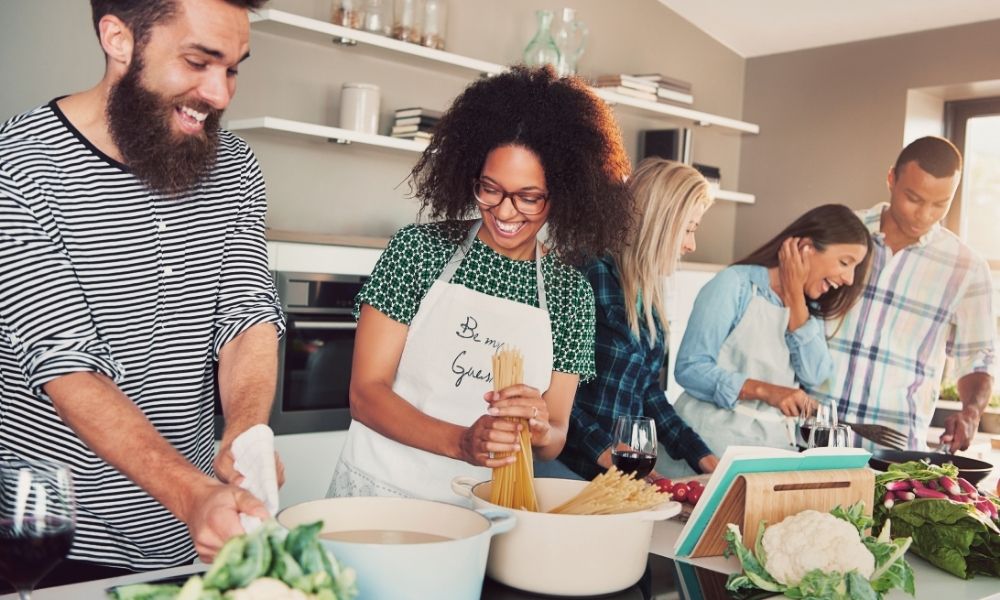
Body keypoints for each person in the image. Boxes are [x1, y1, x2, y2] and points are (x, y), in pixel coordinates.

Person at [0, 0, 283, 585]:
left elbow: (246, 314)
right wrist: (192, 493)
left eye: (232, 67)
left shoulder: (233, 165)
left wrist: (245, 431)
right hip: (54, 537)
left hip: (192, 537)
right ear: (118, 38)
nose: (221, 93)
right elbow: (67, 365)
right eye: (198, 62)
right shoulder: (19, 166)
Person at [327, 65, 632, 504]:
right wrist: (460, 441)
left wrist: (540, 425)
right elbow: (365, 393)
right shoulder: (418, 252)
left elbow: (556, 436)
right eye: (490, 189)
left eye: (529, 197)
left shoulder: (570, 295)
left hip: (486, 509)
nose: (505, 212)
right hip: (382, 493)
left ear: (563, 194)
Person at [815, 137, 996, 451]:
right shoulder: (838, 234)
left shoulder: (967, 269)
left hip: (892, 455)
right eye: (913, 198)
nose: (924, 214)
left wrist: (970, 411)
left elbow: (977, 359)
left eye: (940, 204)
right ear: (891, 179)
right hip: (810, 437)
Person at [557, 159, 719, 481]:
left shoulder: (647, 298)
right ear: (659, 223)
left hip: (617, 476)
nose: (691, 245)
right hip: (572, 470)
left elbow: (648, 392)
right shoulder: (588, 277)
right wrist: (611, 456)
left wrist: (702, 456)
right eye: (688, 229)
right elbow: (557, 398)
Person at [672, 204, 872, 464]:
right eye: (845, 263)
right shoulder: (735, 285)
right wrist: (766, 391)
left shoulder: (807, 309)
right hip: (707, 453)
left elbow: (815, 375)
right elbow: (689, 368)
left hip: (771, 454)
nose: (848, 278)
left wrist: (794, 297)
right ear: (806, 248)